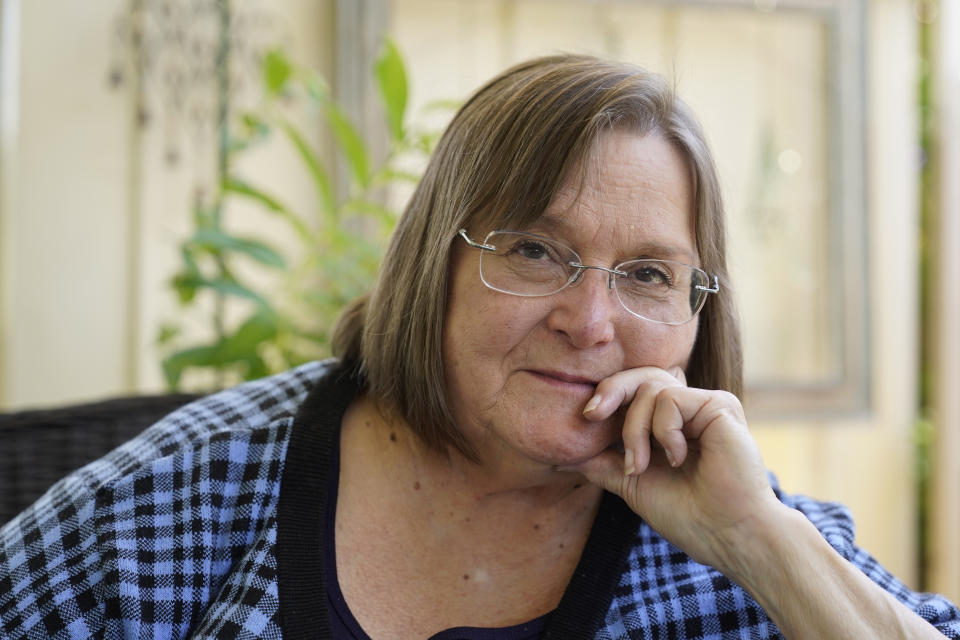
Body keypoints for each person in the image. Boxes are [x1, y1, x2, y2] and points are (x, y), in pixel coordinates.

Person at [1, 55, 958, 640]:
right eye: (537, 252)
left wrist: (760, 542)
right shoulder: (166, 514)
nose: (590, 323)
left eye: (650, 275)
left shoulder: (729, 528)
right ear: (434, 263)